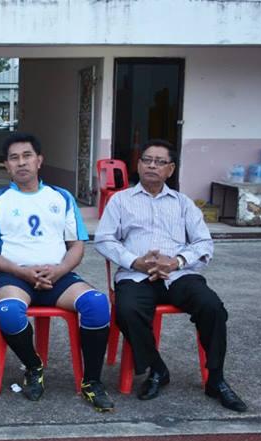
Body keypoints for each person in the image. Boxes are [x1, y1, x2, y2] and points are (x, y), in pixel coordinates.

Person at [94, 139, 247, 412]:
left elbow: (203, 243)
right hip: (136, 275)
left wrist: (176, 262)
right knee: (126, 310)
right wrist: (135, 261)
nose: (152, 165)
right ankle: (157, 368)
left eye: (160, 162)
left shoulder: (183, 203)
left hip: (178, 275)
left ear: (171, 169)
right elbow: (104, 240)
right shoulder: (120, 201)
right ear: (138, 164)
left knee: (212, 307)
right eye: (147, 160)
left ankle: (216, 379)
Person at [0, 132, 114, 412]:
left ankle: (92, 382)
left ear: (39, 160)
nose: (21, 162)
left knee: (97, 304)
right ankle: (33, 366)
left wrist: (60, 270)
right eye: (14, 158)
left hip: (57, 276)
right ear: (7, 166)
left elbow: (76, 245)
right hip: (13, 277)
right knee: (9, 311)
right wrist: (21, 272)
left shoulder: (61, 197)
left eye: (27, 156)